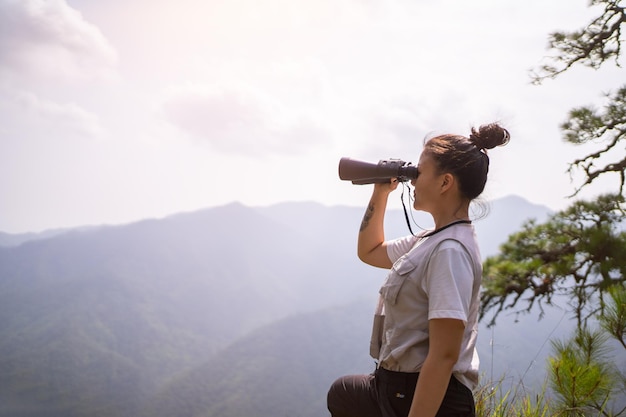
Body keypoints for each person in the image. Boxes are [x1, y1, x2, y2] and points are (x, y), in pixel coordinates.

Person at [327, 123, 510, 417]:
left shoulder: (450, 252)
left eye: (419, 172)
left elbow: (444, 355)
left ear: (445, 182)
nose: (413, 181)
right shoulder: (431, 240)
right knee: (344, 394)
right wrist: (380, 191)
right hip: (395, 387)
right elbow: (370, 251)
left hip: (429, 399)